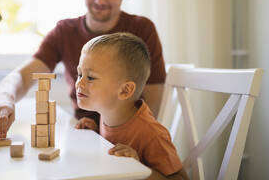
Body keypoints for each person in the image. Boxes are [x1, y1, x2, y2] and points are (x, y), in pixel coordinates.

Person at [0, 0, 166, 141]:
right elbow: (22, 76)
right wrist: (3, 97)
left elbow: (152, 105)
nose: (100, 0)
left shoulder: (142, 29)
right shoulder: (65, 31)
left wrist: (114, 136)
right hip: (82, 135)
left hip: (128, 140)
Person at [75, 33, 187, 180]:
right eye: (79, 74)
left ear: (124, 90)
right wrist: (95, 132)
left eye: (90, 77)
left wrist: (139, 168)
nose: (79, 83)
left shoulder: (152, 134)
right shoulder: (109, 114)